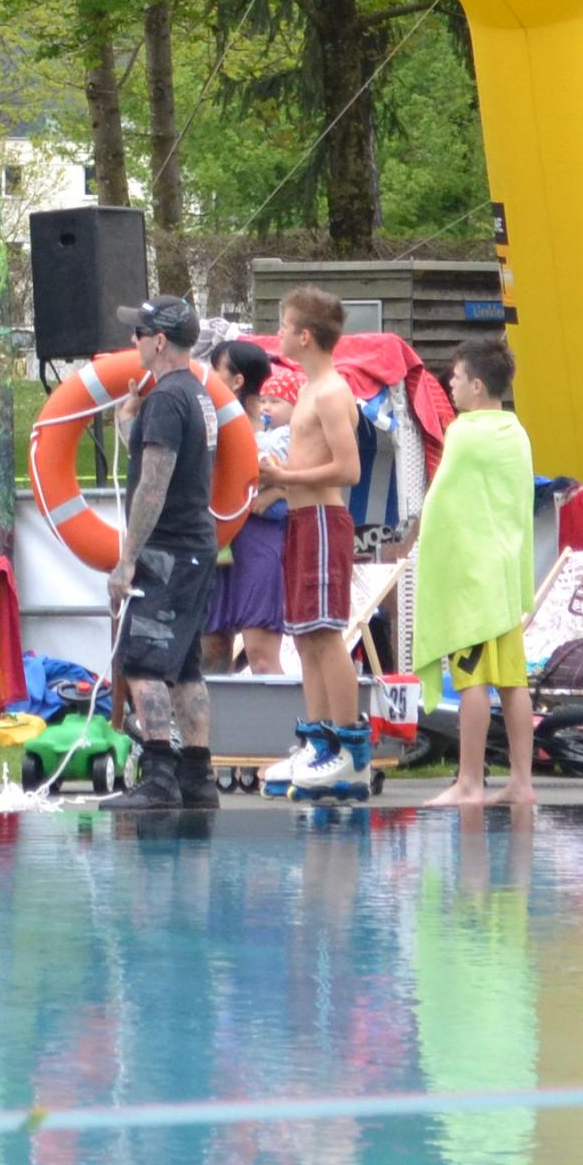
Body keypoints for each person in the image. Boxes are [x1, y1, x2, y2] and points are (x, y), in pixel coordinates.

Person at [109, 297, 225, 812]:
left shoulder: (166, 400)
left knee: (142, 662)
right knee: (187, 666)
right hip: (196, 543)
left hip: (167, 550)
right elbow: (169, 464)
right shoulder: (196, 395)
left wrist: (127, 559)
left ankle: (158, 775)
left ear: (159, 342)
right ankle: (198, 776)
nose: (132, 340)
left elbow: (153, 487)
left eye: (138, 333)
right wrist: (127, 424)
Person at [416, 335, 540, 812]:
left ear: (477, 385)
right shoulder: (516, 432)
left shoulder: (465, 433)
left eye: (456, 377)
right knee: (511, 681)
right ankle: (522, 782)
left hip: (472, 578)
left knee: (471, 680)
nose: (450, 384)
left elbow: (441, 505)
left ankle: (470, 781)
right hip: (505, 574)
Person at [260, 285, 371, 803]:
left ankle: (350, 752)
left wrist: (288, 477)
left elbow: (349, 470)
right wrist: (277, 478)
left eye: (284, 326)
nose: (278, 333)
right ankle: (319, 743)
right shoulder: (307, 389)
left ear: (305, 336)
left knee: (326, 635)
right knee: (305, 636)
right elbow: (310, 461)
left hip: (325, 519)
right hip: (302, 517)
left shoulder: (329, 391)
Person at [203, 338, 288, 682]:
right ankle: (211, 720)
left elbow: (300, 484)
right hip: (218, 545)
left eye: (216, 370)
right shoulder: (207, 431)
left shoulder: (278, 437)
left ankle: (285, 718)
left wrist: (276, 488)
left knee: (260, 655)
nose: (208, 377)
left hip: (258, 541)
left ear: (237, 381)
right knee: (211, 649)